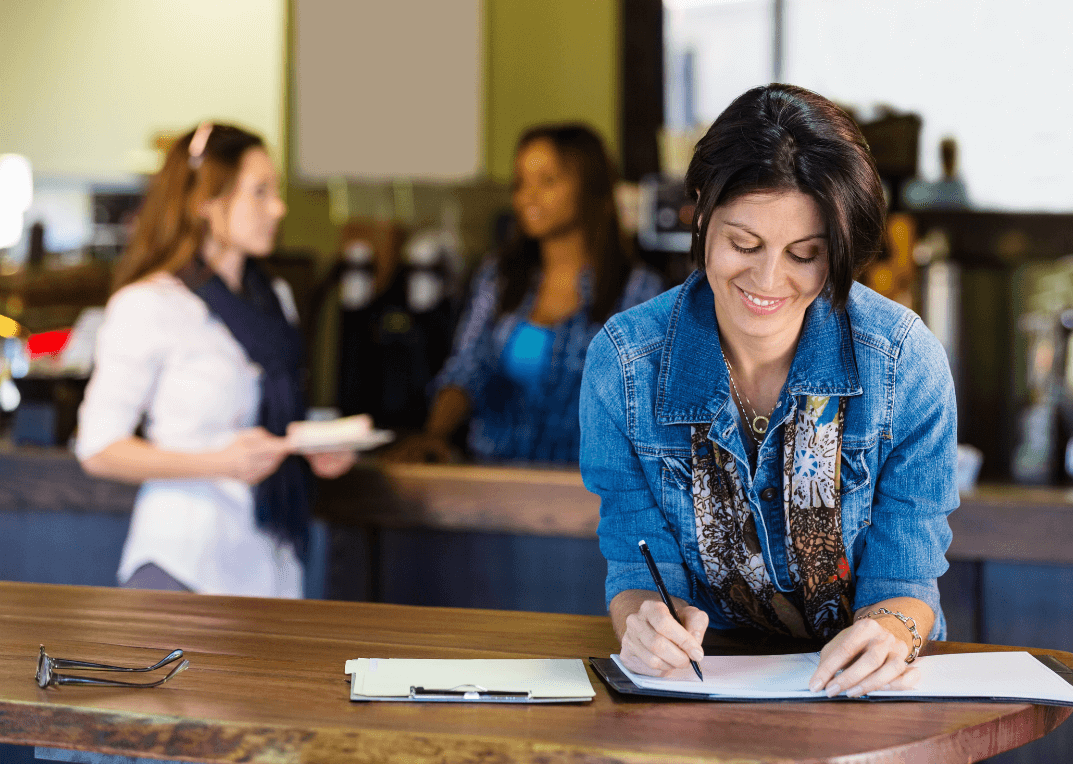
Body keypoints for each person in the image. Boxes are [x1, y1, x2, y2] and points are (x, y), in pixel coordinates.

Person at [580, 84, 959, 698]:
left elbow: (908, 577)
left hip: (861, 694)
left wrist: (889, 632)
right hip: (698, 694)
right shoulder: (625, 366)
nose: (768, 279)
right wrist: (644, 622)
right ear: (699, 212)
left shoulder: (902, 363)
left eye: (804, 254)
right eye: (743, 244)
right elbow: (634, 555)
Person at [76, 122, 355, 597]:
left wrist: (316, 447)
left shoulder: (276, 298)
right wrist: (218, 462)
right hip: (184, 566)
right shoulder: (150, 304)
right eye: (260, 193)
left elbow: (274, 419)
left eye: (276, 191)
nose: (279, 208)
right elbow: (98, 449)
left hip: (272, 568)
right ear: (206, 201)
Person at [395, 124, 663, 464]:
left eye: (547, 181)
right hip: (494, 481)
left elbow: (647, 408)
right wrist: (433, 435)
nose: (528, 196)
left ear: (591, 188)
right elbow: (466, 367)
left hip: (589, 492)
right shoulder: (499, 277)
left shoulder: (638, 291)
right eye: (521, 183)